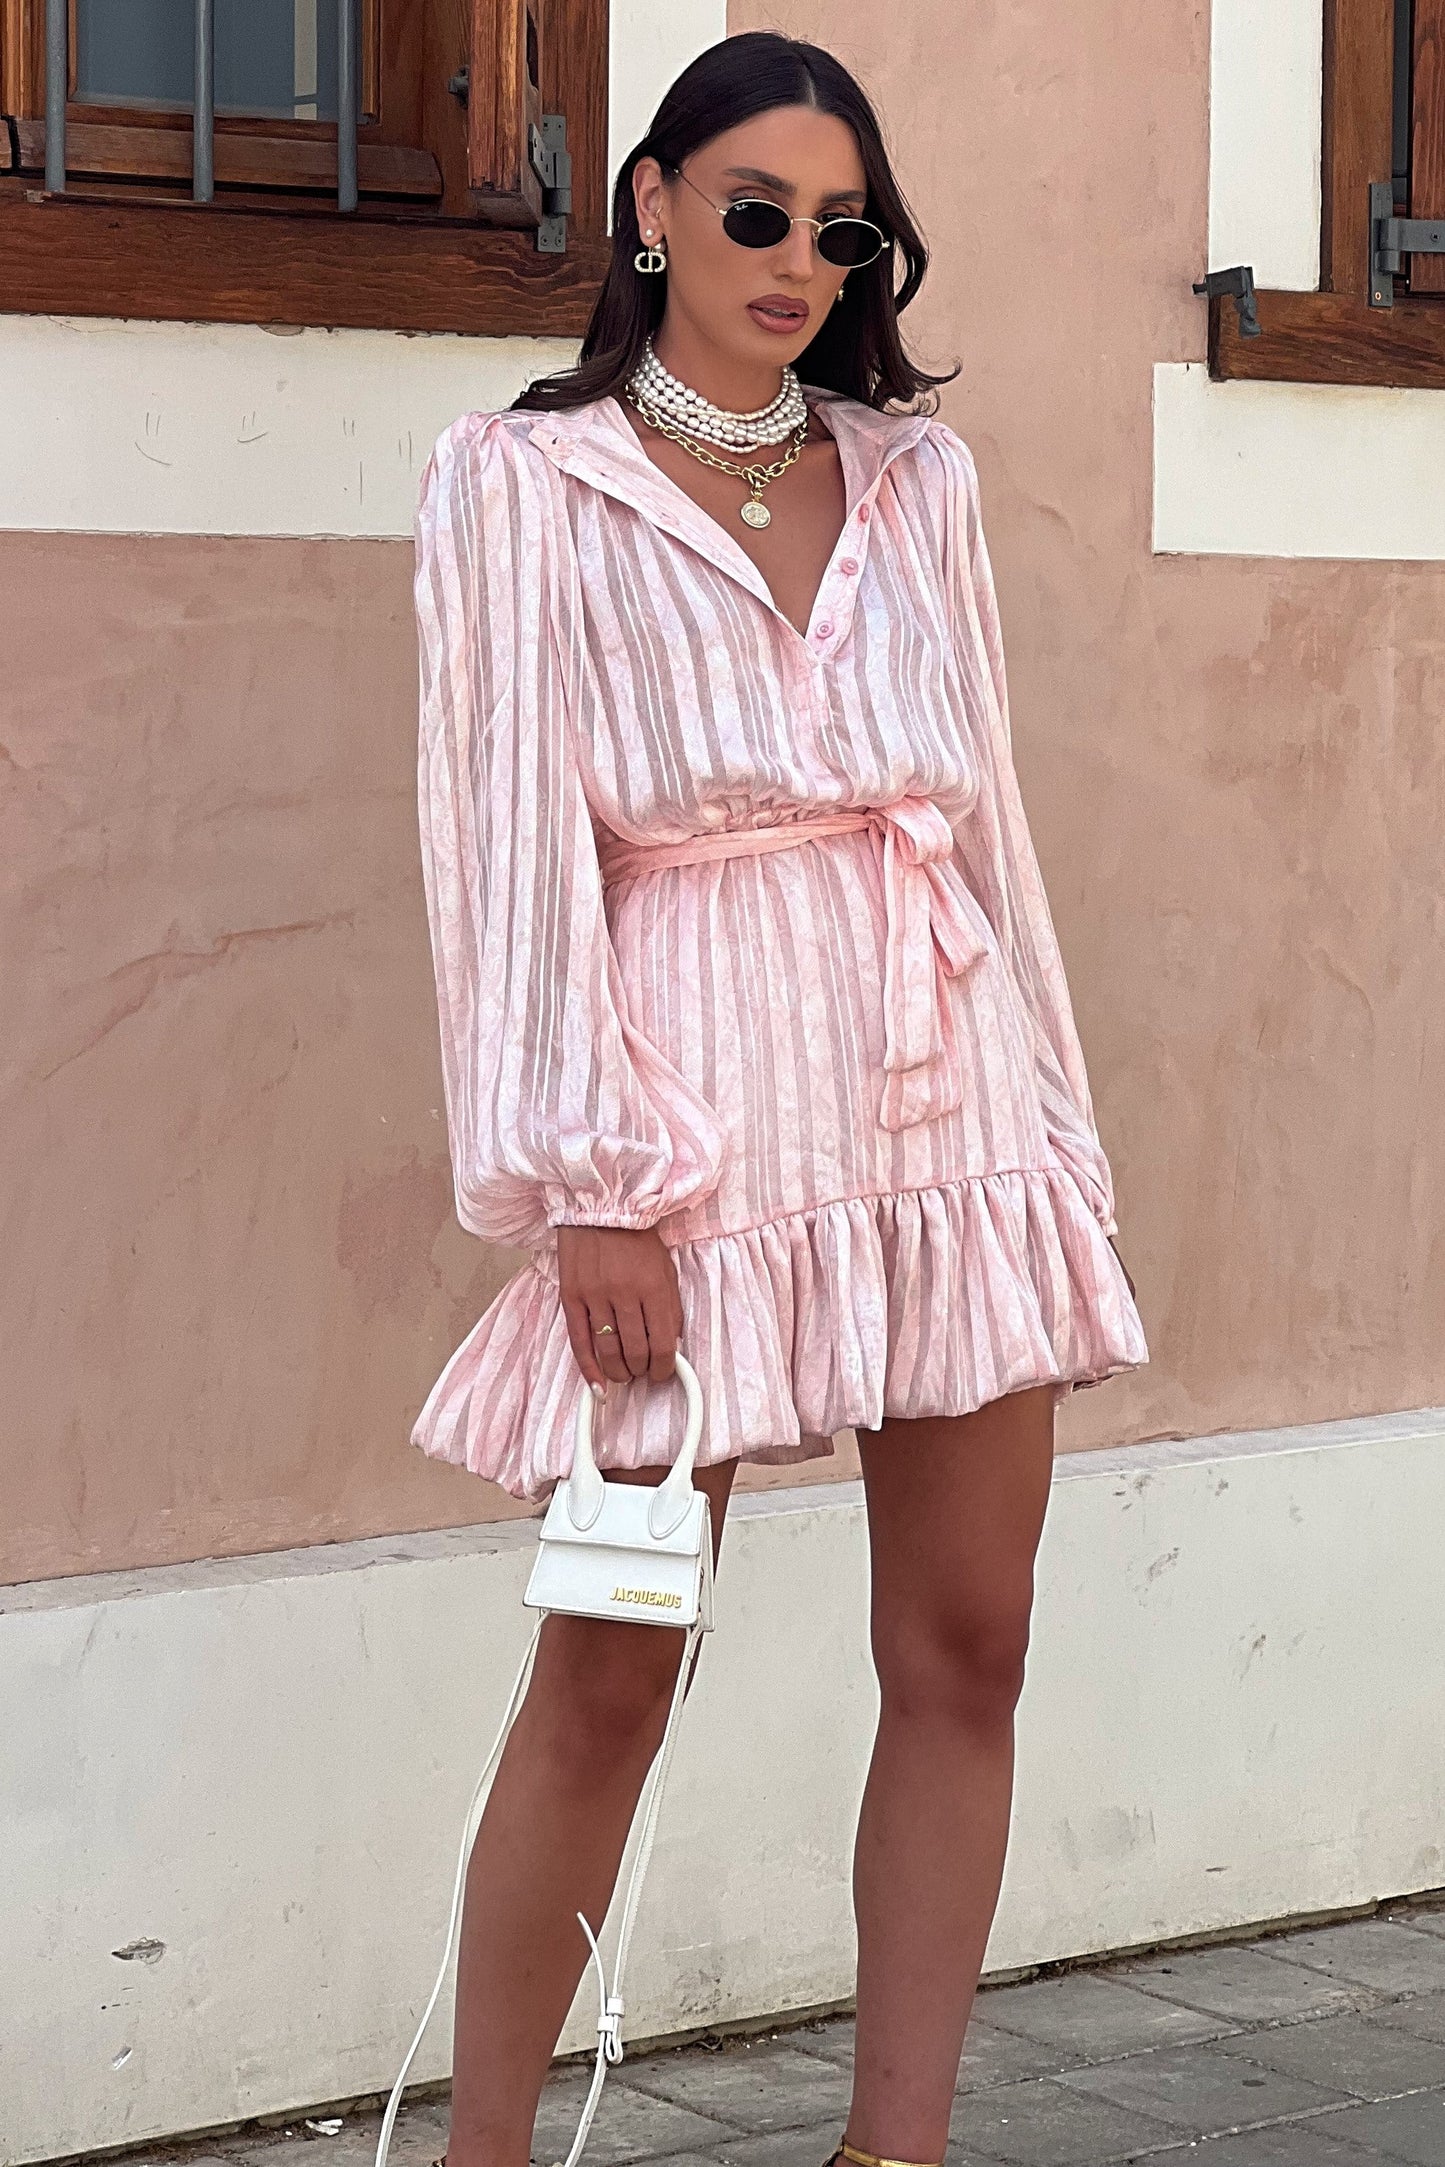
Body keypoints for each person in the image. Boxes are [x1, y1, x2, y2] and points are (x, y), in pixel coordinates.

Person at [411, 29, 1149, 2167]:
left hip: (946, 1131)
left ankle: (890, 2152)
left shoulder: (919, 481)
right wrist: (585, 1179)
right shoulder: (521, 484)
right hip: (686, 1148)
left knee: (970, 1647)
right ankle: (481, 2156)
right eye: (756, 210)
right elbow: (506, 852)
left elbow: (986, 827)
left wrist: (1059, 1141)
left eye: (843, 231)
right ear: (651, 206)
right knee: (612, 1665)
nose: (799, 259)